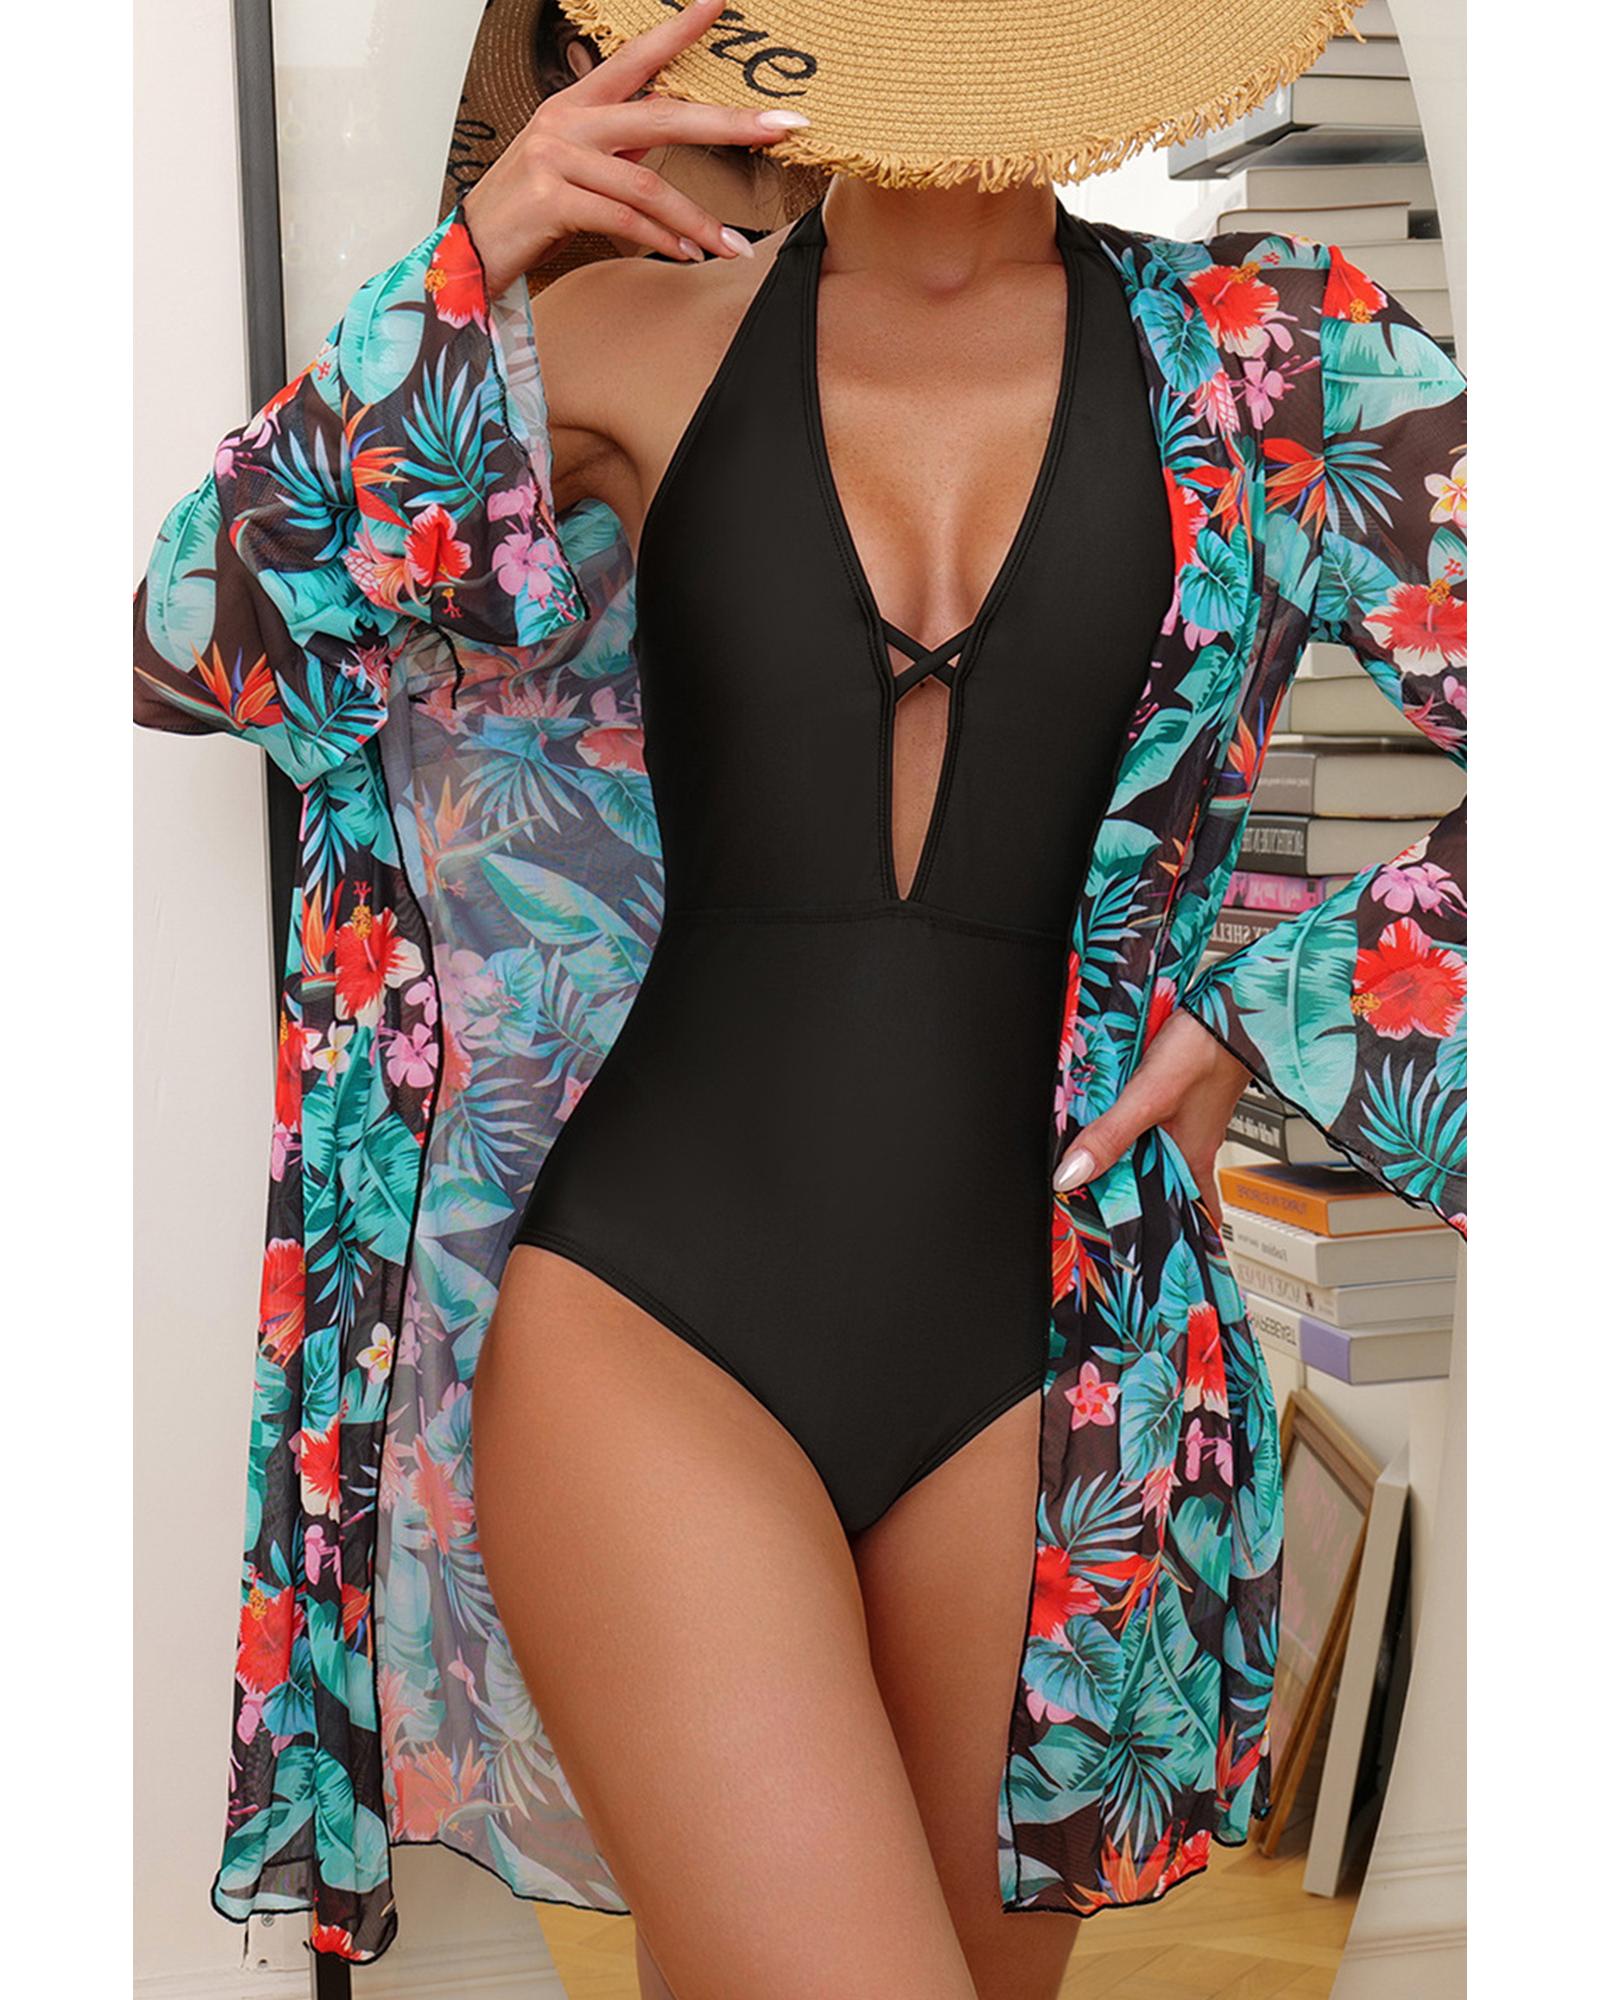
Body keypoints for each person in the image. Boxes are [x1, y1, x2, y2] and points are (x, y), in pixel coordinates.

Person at [132, 3, 1468, 1993]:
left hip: (1055, 1365)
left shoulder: (1281, 356)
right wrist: (475, 261)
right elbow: (203, 630)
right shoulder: (635, 335)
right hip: (649, 1326)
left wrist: (1270, 993)